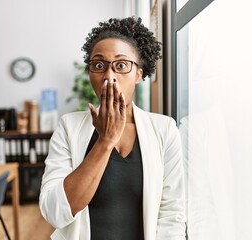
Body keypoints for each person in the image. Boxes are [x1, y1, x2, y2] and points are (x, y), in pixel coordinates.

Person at [39, 16, 186, 240]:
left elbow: (171, 213)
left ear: (138, 74)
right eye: (99, 65)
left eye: (121, 65)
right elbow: (55, 213)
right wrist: (105, 141)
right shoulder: (69, 127)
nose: (109, 76)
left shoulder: (164, 130)